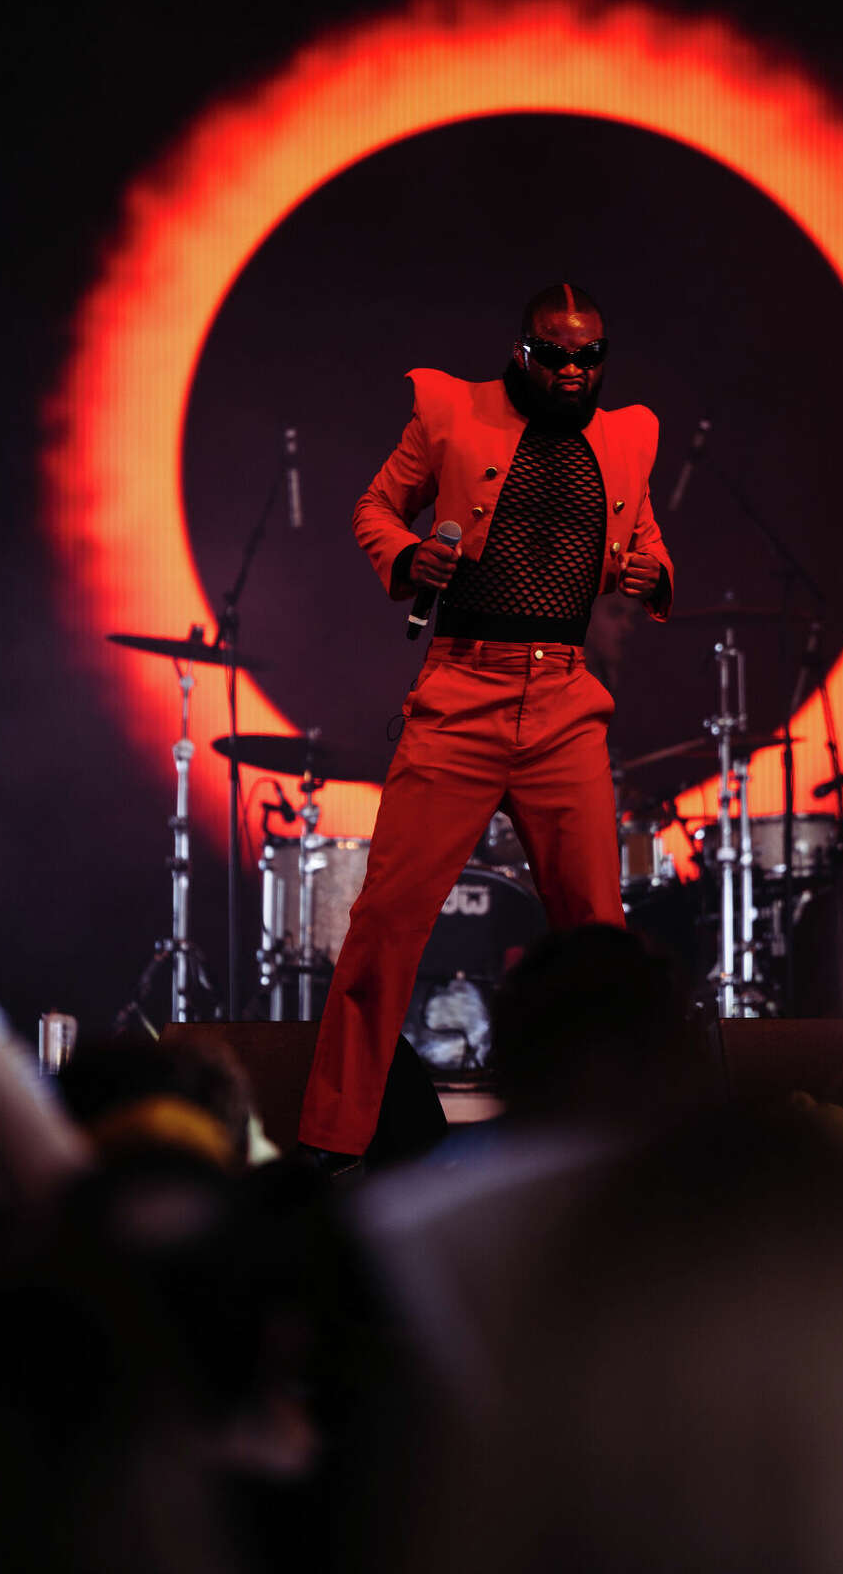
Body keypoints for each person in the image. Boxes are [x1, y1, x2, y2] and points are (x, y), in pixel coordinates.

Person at [298, 283, 674, 1170]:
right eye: (558, 354)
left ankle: (617, 1140)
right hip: (461, 690)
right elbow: (374, 510)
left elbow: (645, 533)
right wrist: (407, 554)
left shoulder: (629, 435)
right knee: (386, 923)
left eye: (591, 356)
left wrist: (652, 571)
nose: (576, 371)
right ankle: (333, 1142)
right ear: (523, 350)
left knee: (597, 934)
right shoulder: (448, 411)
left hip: (564, 706)